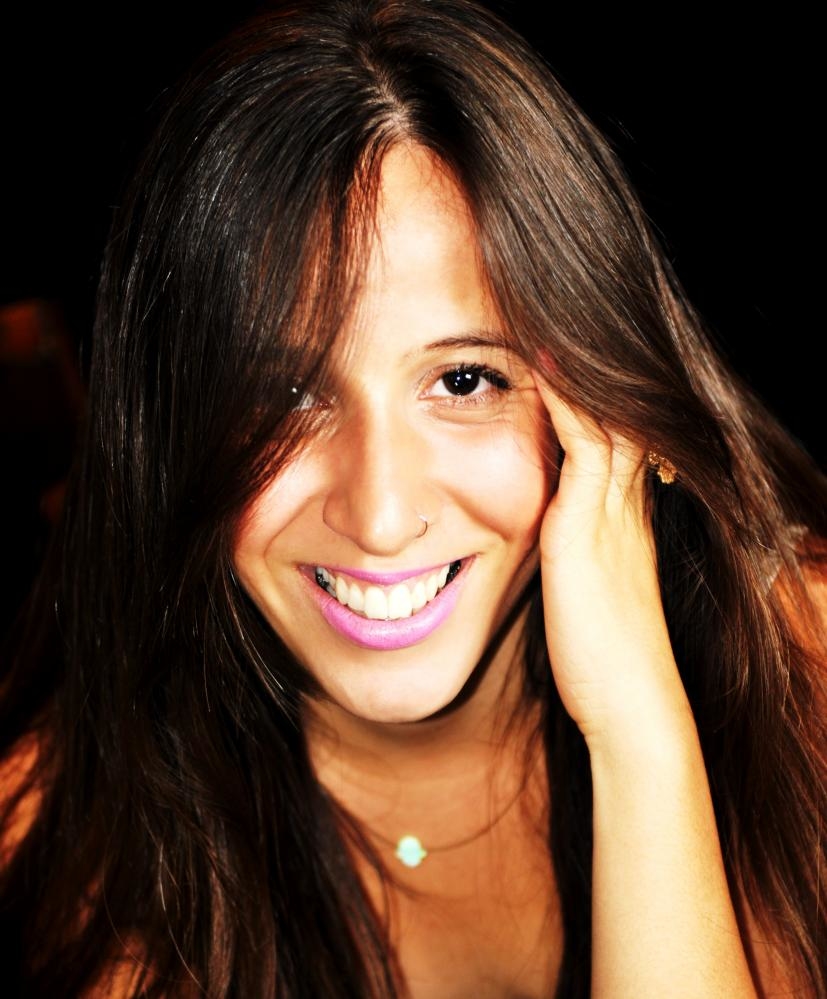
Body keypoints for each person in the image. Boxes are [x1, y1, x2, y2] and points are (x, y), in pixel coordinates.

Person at [1, 1, 824, 995]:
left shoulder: (802, 665)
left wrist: (639, 731)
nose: (382, 516)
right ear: (173, 430)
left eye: (464, 380)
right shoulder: (60, 839)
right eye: (283, 395)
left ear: (603, 398)